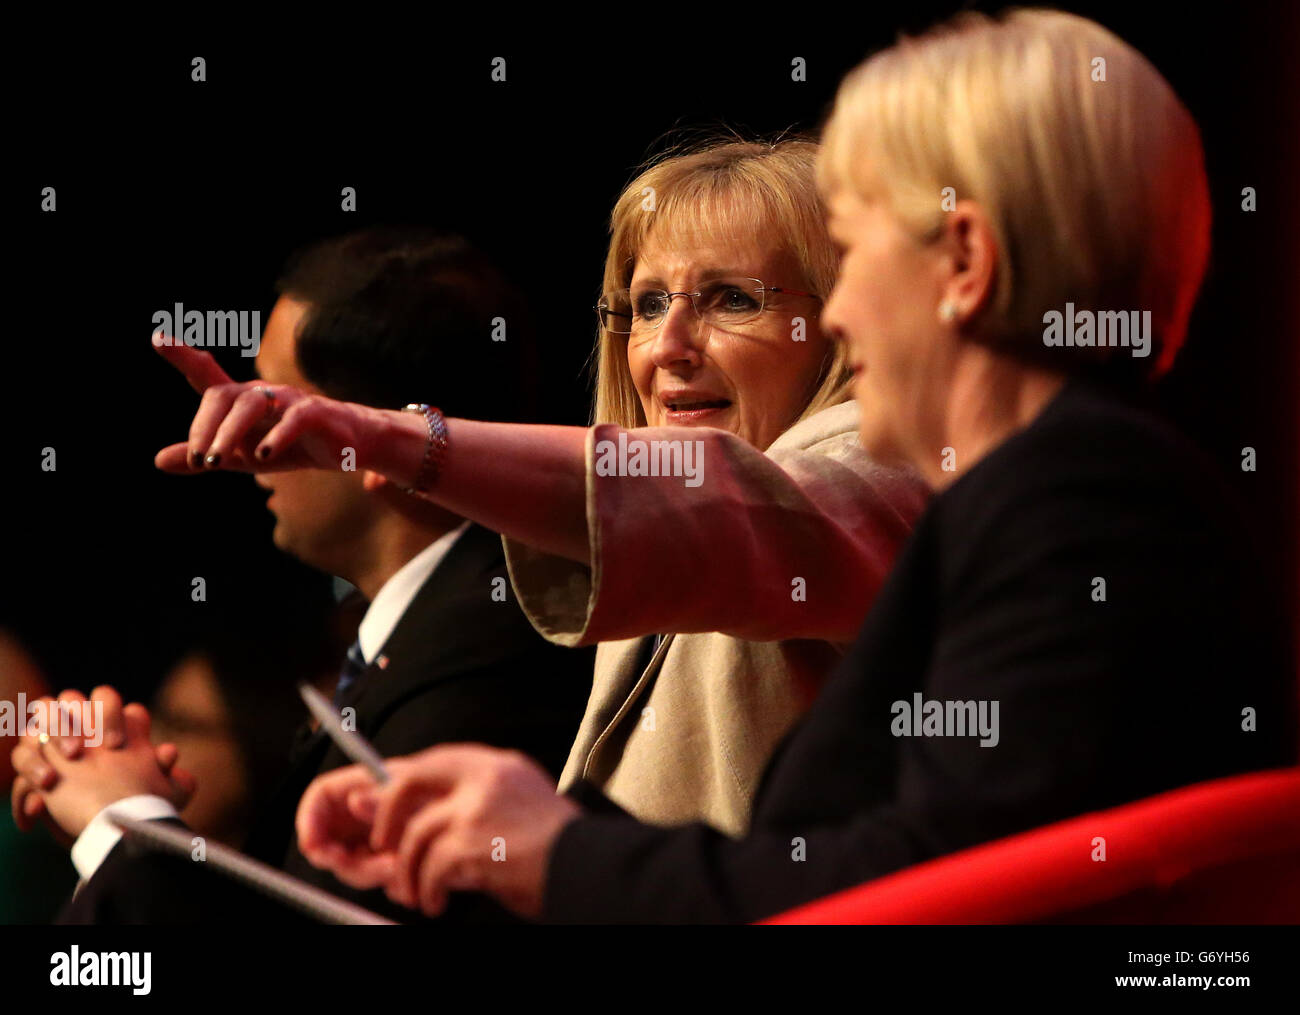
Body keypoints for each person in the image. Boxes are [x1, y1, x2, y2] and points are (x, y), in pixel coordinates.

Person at [292, 8, 1296, 922]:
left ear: (964, 263)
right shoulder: (1064, 490)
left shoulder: (1080, 499)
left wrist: (559, 853)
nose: (843, 316)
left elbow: (915, 898)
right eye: (644, 305)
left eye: (849, 257)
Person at [136, 138, 928, 838]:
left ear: (843, 327)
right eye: (649, 304)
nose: (669, 347)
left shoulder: (881, 467)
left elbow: (733, 502)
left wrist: (390, 435)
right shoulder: (651, 552)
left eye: (733, 299)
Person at [10, 227, 593, 922]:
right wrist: (141, 820)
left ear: (374, 439)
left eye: (273, 402)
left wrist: (125, 821)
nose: (239, 436)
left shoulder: (490, 659)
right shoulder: (420, 637)